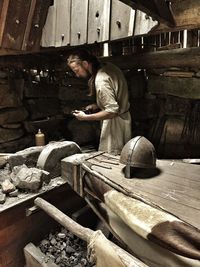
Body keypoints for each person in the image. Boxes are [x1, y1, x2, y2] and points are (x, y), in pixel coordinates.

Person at [67, 49, 131, 155]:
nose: (77, 75)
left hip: (115, 127)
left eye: (76, 70)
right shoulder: (109, 67)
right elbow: (115, 96)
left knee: (112, 160)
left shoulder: (101, 80)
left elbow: (112, 111)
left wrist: (85, 117)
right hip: (123, 120)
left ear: (85, 64)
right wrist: (97, 105)